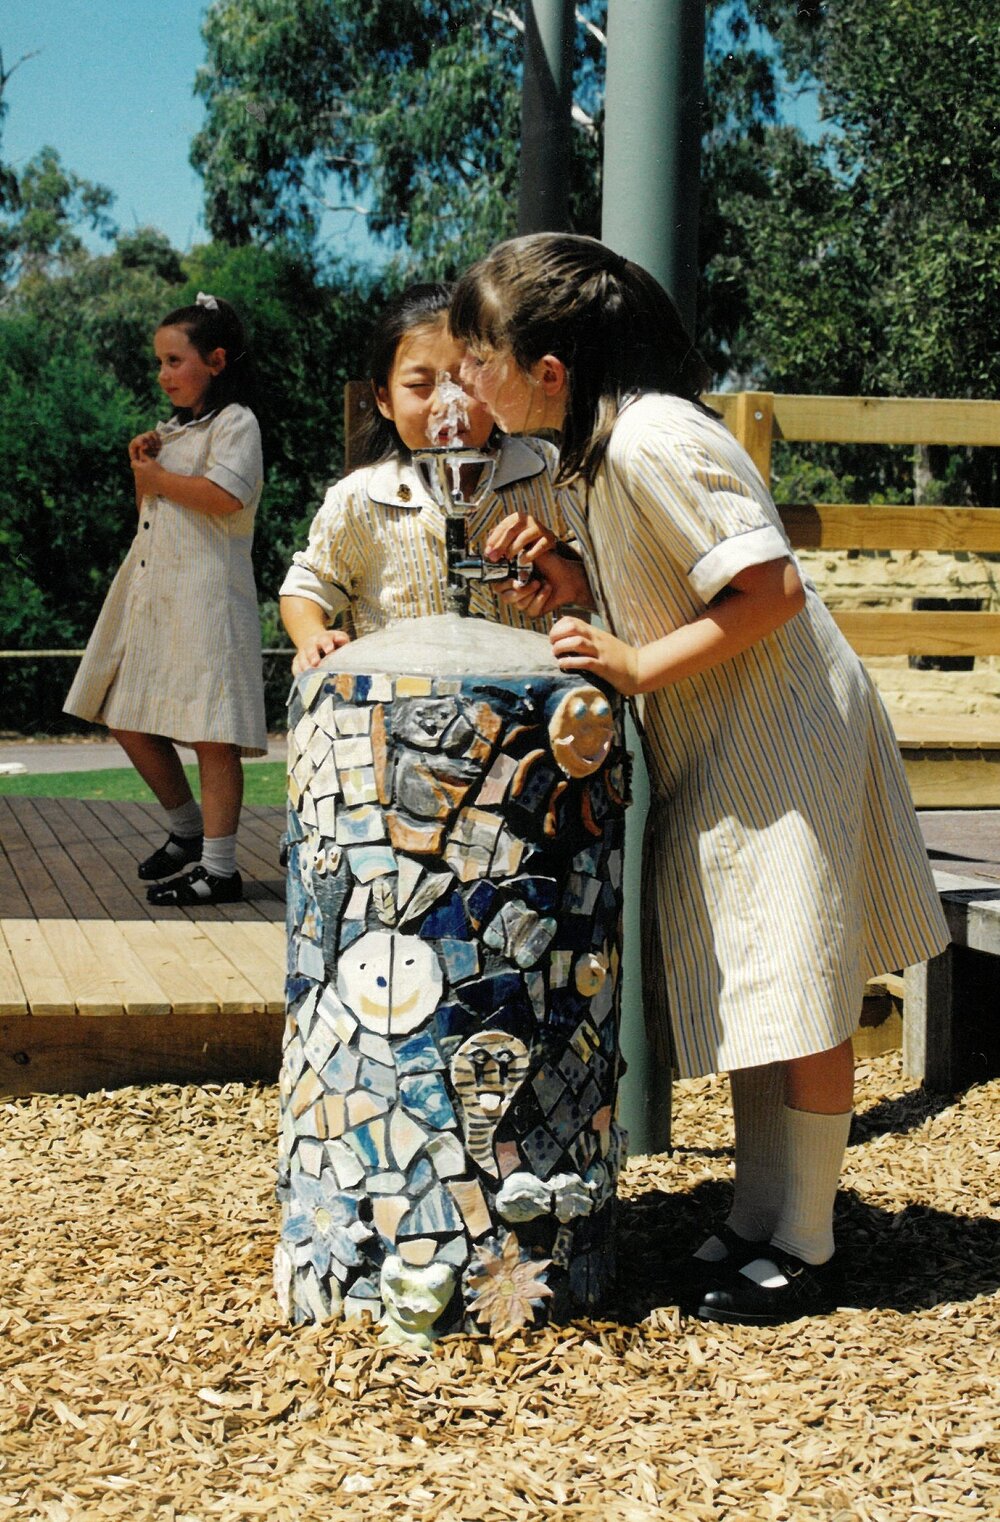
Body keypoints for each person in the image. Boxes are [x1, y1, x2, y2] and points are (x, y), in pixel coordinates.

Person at [450, 233, 949, 1325]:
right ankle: (764, 1211)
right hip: (726, 735)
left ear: (549, 370)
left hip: (782, 732)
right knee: (755, 979)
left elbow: (766, 585)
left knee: (801, 982)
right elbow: (670, 592)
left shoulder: (652, 439)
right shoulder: (597, 450)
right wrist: (573, 584)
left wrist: (629, 663)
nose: (461, 381)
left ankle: (808, 1241)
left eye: (475, 356)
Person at [64, 294, 266, 907]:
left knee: (211, 733)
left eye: (174, 360)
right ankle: (186, 832)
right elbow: (155, 515)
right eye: (160, 362)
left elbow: (226, 497)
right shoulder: (174, 432)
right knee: (123, 711)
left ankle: (221, 868)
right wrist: (144, 470)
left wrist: (157, 478)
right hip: (155, 591)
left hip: (206, 596)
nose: (163, 373)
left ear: (215, 360)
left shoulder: (237, 423)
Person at [279, 282, 574, 673]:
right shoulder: (361, 498)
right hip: (402, 708)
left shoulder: (546, 472)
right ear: (384, 398)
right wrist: (313, 635)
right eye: (420, 386)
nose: (446, 405)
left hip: (525, 703)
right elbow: (306, 587)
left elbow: (602, 573)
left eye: (465, 383)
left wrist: (559, 559)